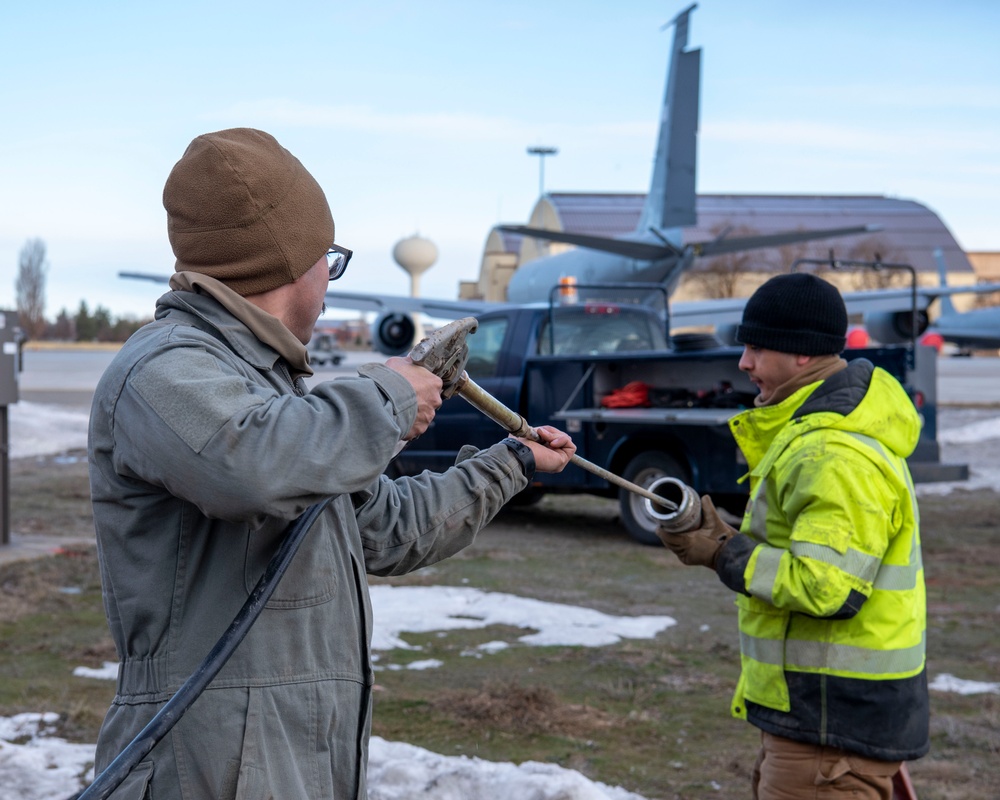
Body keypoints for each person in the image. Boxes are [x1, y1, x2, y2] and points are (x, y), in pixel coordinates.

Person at [87, 127, 576, 800]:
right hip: (200, 761)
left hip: (288, 753)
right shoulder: (165, 368)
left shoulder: (269, 396)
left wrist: (512, 462)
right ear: (297, 264)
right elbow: (247, 468)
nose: (328, 276)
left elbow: (385, 527)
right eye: (330, 257)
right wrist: (388, 397)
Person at [657, 272, 928, 800]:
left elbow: (827, 586)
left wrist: (722, 550)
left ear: (802, 354)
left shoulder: (831, 452)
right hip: (826, 720)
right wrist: (725, 543)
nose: (744, 363)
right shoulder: (819, 435)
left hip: (831, 727)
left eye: (756, 347)